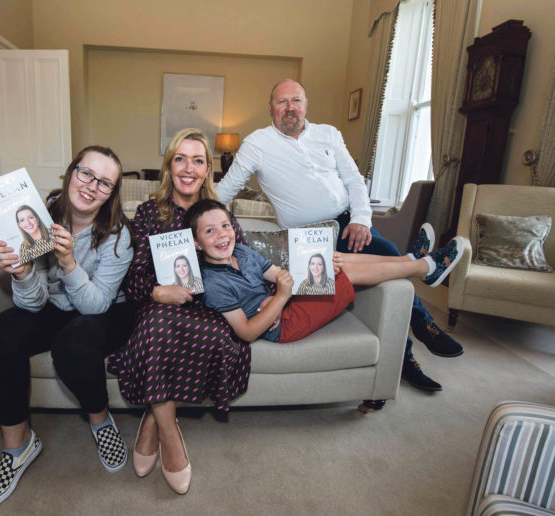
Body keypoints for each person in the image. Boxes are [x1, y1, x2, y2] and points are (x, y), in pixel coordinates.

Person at [216, 78, 463, 392]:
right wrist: (194, 221)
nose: (289, 108)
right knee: (392, 260)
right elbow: (225, 190)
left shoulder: (328, 134)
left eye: (296, 101)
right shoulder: (257, 143)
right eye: (281, 102)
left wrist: (360, 219)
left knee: (387, 258)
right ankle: (421, 273)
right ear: (271, 108)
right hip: (308, 239)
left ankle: (415, 336)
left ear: (306, 104)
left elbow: (355, 181)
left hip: (348, 224)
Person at [0, 146, 134, 510]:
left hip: (106, 309)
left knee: (73, 343)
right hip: (54, 305)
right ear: (70, 172)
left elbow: (96, 306)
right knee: (1, 332)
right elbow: (31, 304)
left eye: (105, 183)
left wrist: (67, 261)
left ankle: (100, 419)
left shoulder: (119, 234)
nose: (92, 186)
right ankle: (18, 446)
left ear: (112, 193)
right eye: (86, 173)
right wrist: (24, 272)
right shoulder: (37, 216)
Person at [107, 128, 251, 495]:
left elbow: (244, 262)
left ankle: (152, 422)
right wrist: (157, 291)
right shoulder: (148, 213)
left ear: (208, 170)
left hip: (207, 312)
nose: (189, 168)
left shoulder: (221, 214)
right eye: (180, 159)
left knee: (216, 335)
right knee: (156, 327)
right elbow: (130, 279)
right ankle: (170, 434)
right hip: (157, 307)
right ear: (169, 166)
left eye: (198, 160)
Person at [186, 199, 465, 346]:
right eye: (210, 231)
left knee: (334, 259)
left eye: (225, 226)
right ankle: (423, 267)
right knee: (337, 274)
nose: (222, 235)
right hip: (283, 326)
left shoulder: (243, 252)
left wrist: (306, 273)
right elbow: (246, 333)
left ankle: (411, 259)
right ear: (197, 243)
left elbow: (279, 275)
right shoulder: (212, 283)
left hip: (282, 302)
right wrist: (281, 299)